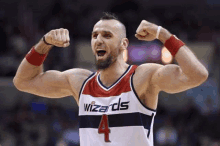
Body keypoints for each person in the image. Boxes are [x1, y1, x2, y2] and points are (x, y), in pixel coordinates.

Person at [13, 12, 208, 146]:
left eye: (107, 35)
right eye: (94, 35)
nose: (98, 39)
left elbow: (198, 75)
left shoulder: (142, 76)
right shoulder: (79, 81)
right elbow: (23, 81)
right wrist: (44, 43)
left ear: (124, 44)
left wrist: (163, 35)